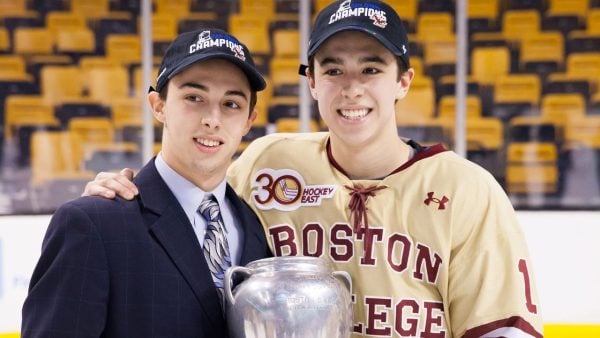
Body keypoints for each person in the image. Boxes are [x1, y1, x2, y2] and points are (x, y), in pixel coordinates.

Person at [82, 1, 544, 336]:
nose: (351, 89)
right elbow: (192, 203)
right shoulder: (271, 163)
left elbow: (503, 329)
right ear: (311, 82)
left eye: (371, 69)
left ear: (403, 81)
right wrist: (121, 194)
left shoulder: (465, 189)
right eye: (333, 70)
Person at [21, 28, 272, 337]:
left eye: (231, 104)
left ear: (250, 119)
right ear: (158, 105)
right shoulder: (93, 223)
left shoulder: (257, 229)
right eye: (194, 97)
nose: (212, 119)